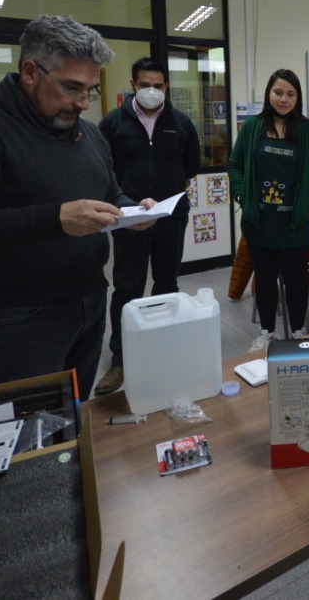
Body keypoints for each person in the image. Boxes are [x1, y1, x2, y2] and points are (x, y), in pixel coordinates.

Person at [0, 15, 155, 400]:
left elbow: (110, 192)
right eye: (71, 88)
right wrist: (56, 219)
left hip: (88, 300)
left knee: (75, 418)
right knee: (30, 432)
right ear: (30, 71)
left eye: (90, 91)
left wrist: (134, 211)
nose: (82, 102)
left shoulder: (89, 133)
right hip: (17, 317)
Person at [93, 57, 201, 396]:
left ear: (166, 87)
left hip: (172, 217)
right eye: (144, 85)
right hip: (130, 220)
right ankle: (121, 361)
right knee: (127, 289)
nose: (151, 91)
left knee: (167, 285)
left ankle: (161, 349)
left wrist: (167, 196)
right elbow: (101, 170)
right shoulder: (112, 123)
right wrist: (129, 203)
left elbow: (191, 167)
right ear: (133, 84)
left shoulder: (181, 123)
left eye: (157, 85)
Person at [227, 69, 309, 350]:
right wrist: (241, 194)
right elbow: (235, 165)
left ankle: (298, 333)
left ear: (297, 97)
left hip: (295, 225)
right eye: (278, 92)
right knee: (265, 280)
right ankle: (266, 332)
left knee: (297, 282)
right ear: (269, 94)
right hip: (259, 221)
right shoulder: (252, 128)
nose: (284, 99)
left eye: (290, 94)